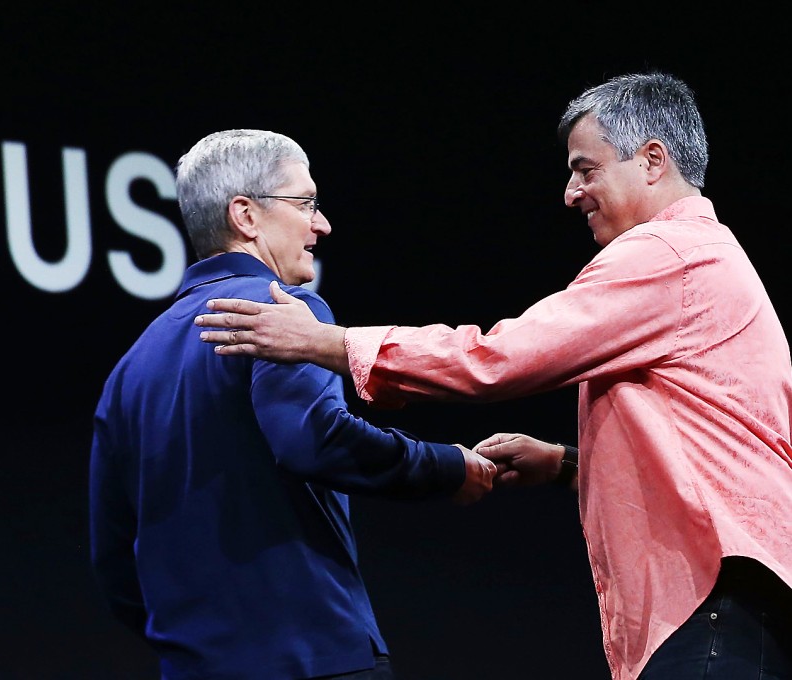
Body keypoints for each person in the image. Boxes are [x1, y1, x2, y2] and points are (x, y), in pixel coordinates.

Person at [193, 73, 792, 679]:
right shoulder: (705, 257)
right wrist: (565, 463)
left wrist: (331, 343)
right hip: (730, 602)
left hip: (717, 599)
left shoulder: (667, 254)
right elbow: (706, 449)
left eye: (586, 170)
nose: (571, 192)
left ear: (652, 160)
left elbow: (498, 360)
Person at [89, 129, 496, 680]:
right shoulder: (283, 313)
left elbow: (114, 558)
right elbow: (317, 439)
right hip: (314, 657)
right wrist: (447, 467)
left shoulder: (130, 367)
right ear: (246, 216)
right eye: (305, 203)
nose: (321, 224)